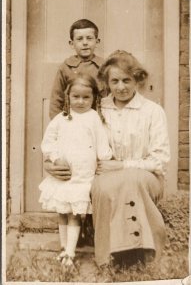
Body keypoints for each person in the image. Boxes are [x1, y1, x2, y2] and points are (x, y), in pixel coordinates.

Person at [91, 50, 170, 270]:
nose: (121, 87)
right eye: (114, 81)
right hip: (107, 176)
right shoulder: (99, 109)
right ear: (107, 83)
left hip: (146, 178)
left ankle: (144, 252)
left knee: (131, 180)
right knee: (106, 186)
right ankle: (109, 257)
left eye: (127, 80)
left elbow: (160, 160)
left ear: (138, 80)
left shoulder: (152, 111)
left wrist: (123, 165)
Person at [39, 73, 112, 268]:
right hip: (64, 176)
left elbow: (102, 145)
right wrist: (55, 158)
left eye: (86, 97)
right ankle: (64, 249)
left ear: (94, 98)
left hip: (82, 177)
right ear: (68, 96)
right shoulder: (61, 119)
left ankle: (71, 253)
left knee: (74, 213)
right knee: (62, 212)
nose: (80, 101)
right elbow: (48, 142)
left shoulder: (94, 118)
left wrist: (106, 158)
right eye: (75, 97)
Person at [49, 18, 104, 120]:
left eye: (89, 38)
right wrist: (58, 124)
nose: (85, 43)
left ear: (97, 42)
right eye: (79, 39)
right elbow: (56, 100)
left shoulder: (104, 67)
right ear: (71, 43)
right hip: (71, 120)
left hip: (98, 120)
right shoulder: (66, 67)